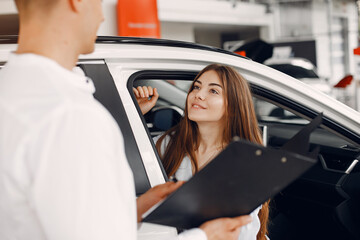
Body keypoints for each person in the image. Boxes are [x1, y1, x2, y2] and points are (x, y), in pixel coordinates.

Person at [0, 0, 252, 240]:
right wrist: (205, 236)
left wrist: (136, 208)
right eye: (98, 2)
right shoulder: (69, 114)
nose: (102, 16)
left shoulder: (11, 90)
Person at [134, 64, 270, 240]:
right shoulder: (167, 143)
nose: (198, 94)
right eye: (196, 87)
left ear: (233, 105)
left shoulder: (245, 161)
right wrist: (137, 113)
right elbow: (118, 160)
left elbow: (243, 233)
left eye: (213, 91)